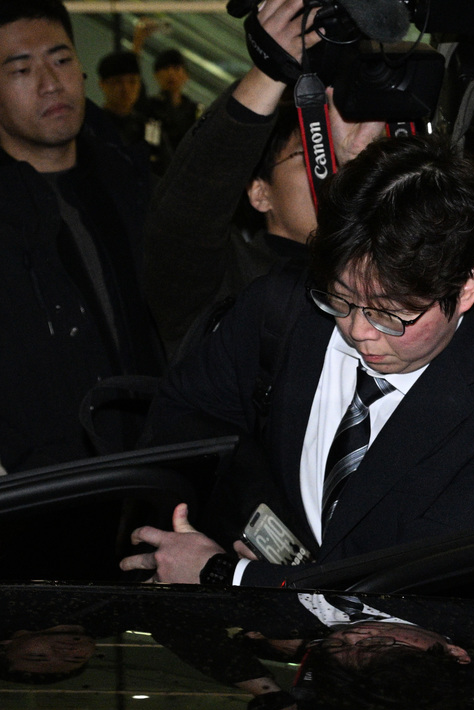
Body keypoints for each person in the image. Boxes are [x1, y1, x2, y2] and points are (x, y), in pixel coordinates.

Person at [128, 135, 474, 587]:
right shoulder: (279, 312)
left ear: (469, 285)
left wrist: (226, 574)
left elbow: (418, 603)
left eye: (390, 314)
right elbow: (179, 427)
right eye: (341, 299)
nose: (359, 331)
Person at [141, 0, 385, 354]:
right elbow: (188, 208)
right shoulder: (229, 282)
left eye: (338, 157)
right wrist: (271, 72)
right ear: (259, 192)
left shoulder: (380, 268)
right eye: (311, 153)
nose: (330, 170)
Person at [0, 0, 165, 472]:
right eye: (21, 69)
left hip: (163, 472)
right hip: (49, 495)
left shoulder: (132, 183)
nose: (50, 83)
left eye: (61, 59)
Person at [147, 47, 199, 152]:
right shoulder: (150, 106)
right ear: (156, 75)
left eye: (176, 68)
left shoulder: (195, 111)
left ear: (186, 75)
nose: (170, 73)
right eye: (165, 68)